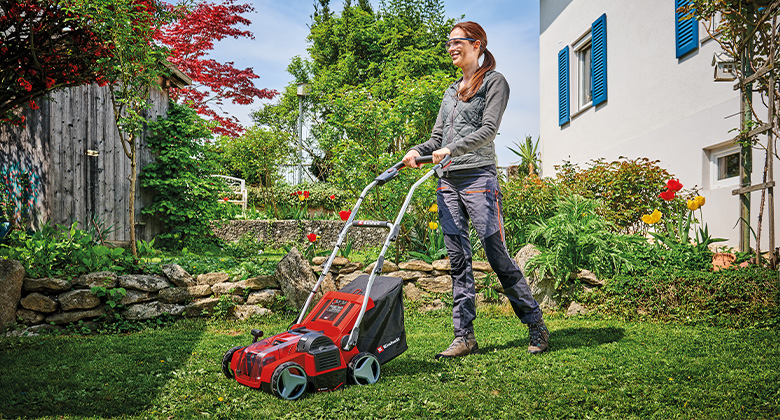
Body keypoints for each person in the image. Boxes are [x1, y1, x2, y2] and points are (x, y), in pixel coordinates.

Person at [403, 21, 549, 358]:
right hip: (447, 182)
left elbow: (488, 130)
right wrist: (416, 151)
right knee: (458, 260)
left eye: (458, 42)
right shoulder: (450, 91)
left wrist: (452, 149)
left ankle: (535, 323)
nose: (451, 47)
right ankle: (464, 337)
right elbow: (437, 138)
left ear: (477, 44)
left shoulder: (494, 82)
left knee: (496, 254)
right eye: (449, 43)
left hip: (478, 179)